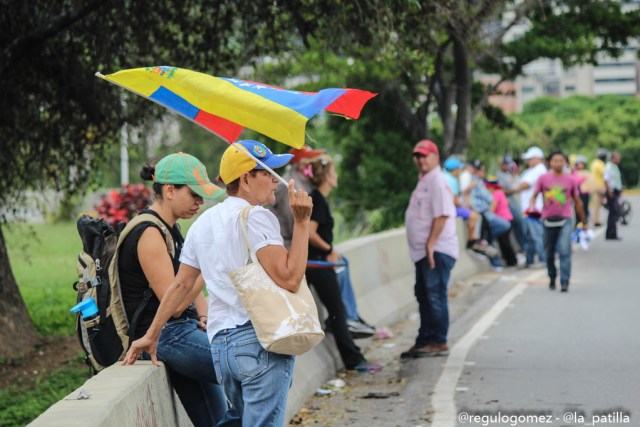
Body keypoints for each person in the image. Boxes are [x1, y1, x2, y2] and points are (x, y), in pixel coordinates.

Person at [123, 140, 313, 427]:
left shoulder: (204, 223)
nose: (275, 180)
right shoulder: (257, 217)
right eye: (267, 172)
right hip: (258, 341)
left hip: (223, 347)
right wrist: (301, 223)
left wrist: (152, 335)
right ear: (246, 179)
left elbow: (180, 286)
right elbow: (290, 277)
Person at [118, 152, 234, 427]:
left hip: (183, 331)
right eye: (194, 194)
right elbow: (176, 302)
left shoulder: (171, 229)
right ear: (169, 190)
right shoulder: (148, 233)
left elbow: (188, 288)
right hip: (165, 337)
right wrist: (209, 264)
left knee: (214, 419)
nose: (200, 202)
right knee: (254, 369)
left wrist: (204, 317)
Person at [268, 146, 375, 338]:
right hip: (289, 248)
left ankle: (350, 318)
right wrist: (327, 249)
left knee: (340, 264)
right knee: (338, 266)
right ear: (302, 165)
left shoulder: (304, 186)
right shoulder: (289, 188)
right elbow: (299, 227)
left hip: (300, 246)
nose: (313, 164)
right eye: (310, 160)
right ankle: (346, 320)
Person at [304, 154, 381, 371]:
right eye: (334, 173)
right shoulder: (317, 199)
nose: (336, 177)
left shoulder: (319, 198)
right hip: (317, 264)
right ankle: (353, 359)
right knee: (337, 311)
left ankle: (352, 352)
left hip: (317, 262)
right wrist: (329, 249)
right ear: (327, 176)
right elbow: (310, 232)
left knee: (337, 310)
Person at [401, 140, 458, 359]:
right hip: (425, 251)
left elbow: (442, 214)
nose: (421, 160)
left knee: (434, 295)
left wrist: (431, 243)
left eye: (425, 156)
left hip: (436, 250)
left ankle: (438, 340)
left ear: (435, 157)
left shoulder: (438, 181)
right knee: (424, 295)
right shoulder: (425, 180)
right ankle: (425, 339)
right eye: (418, 156)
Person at [530, 151, 587, 292]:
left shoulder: (571, 180)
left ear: (566, 163)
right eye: (555, 160)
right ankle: (552, 276)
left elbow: (578, 202)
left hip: (565, 219)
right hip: (547, 220)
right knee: (549, 252)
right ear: (550, 162)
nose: (558, 163)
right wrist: (531, 207)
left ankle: (565, 280)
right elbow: (534, 195)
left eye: (561, 160)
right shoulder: (543, 179)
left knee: (564, 250)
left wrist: (583, 221)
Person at [442, 157, 497, 258]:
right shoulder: (451, 180)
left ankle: (476, 241)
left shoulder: (442, 176)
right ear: (455, 169)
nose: (460, 170)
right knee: (474, 215)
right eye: (459, 168)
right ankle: (472, 242)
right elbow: (454, 200)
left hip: (442, 208)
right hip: (448, 209)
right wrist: (464, 205)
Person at [468, 159, 510, 271]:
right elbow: (489, 199)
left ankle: (488, 243)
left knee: (491, 236)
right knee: (502, 227)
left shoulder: (472, 181)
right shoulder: (474, 182)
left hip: (482, 214)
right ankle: (494, 260)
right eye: (482, 170)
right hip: (481, 213)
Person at [514, 146, 547, 268]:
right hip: (528, 208)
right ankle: (529, 260)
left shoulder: (539, 170)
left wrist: (511, 188)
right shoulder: (532, 170)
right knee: (529, 236)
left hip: (533, 209)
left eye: (530, 159)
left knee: (536, 235)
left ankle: (543, 259)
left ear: (538, 158)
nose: (528, 161)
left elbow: (523, 185)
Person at [495, 156, 527, 255]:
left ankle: (522, 248)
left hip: (514, 203)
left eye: (508, 164)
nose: (507, 166)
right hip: (507, 205)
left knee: (519, 226)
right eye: (505, 164)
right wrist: (513, 190)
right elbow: (500, 190)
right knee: (517, 225)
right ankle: (522, 248)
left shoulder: (509, 174)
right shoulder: (499, 175)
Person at [485, 179, 517, 267]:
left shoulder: (496, 193)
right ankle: (510, 261)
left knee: (505, 243)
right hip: (507, 219)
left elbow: (493, 207)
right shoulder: (501, 192)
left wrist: (487, 215)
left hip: (503, 220)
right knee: (505, 242)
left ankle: (512, 261)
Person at [604, 151, 623, 240]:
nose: (618, 160)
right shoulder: (609, 167)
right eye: (616, 158)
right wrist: (609, 191)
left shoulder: (615, 167)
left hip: (616, 191)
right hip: (611, 192)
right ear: (613, 158)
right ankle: (611, 234)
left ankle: (612, 233)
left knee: (614, 213)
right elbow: (606, 180)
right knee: (613, 213)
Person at [589, 148, 608, 227]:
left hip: (593, 185)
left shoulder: (593, 163)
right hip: (601, 185)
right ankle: (613, 214)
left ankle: (596, 221)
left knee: (596, 204)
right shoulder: (601, 164)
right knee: (609, 199)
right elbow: (605, 175)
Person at [572, 155, 591, 225]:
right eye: (580, 163)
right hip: (580, 193)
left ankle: (584, 223)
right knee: (579, 209)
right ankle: (579, 223)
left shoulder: (585, 171)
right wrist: (583, 178)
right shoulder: (574, 171)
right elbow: (576, 181)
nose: (582, 165)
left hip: (586, 193)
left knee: (585, 209)